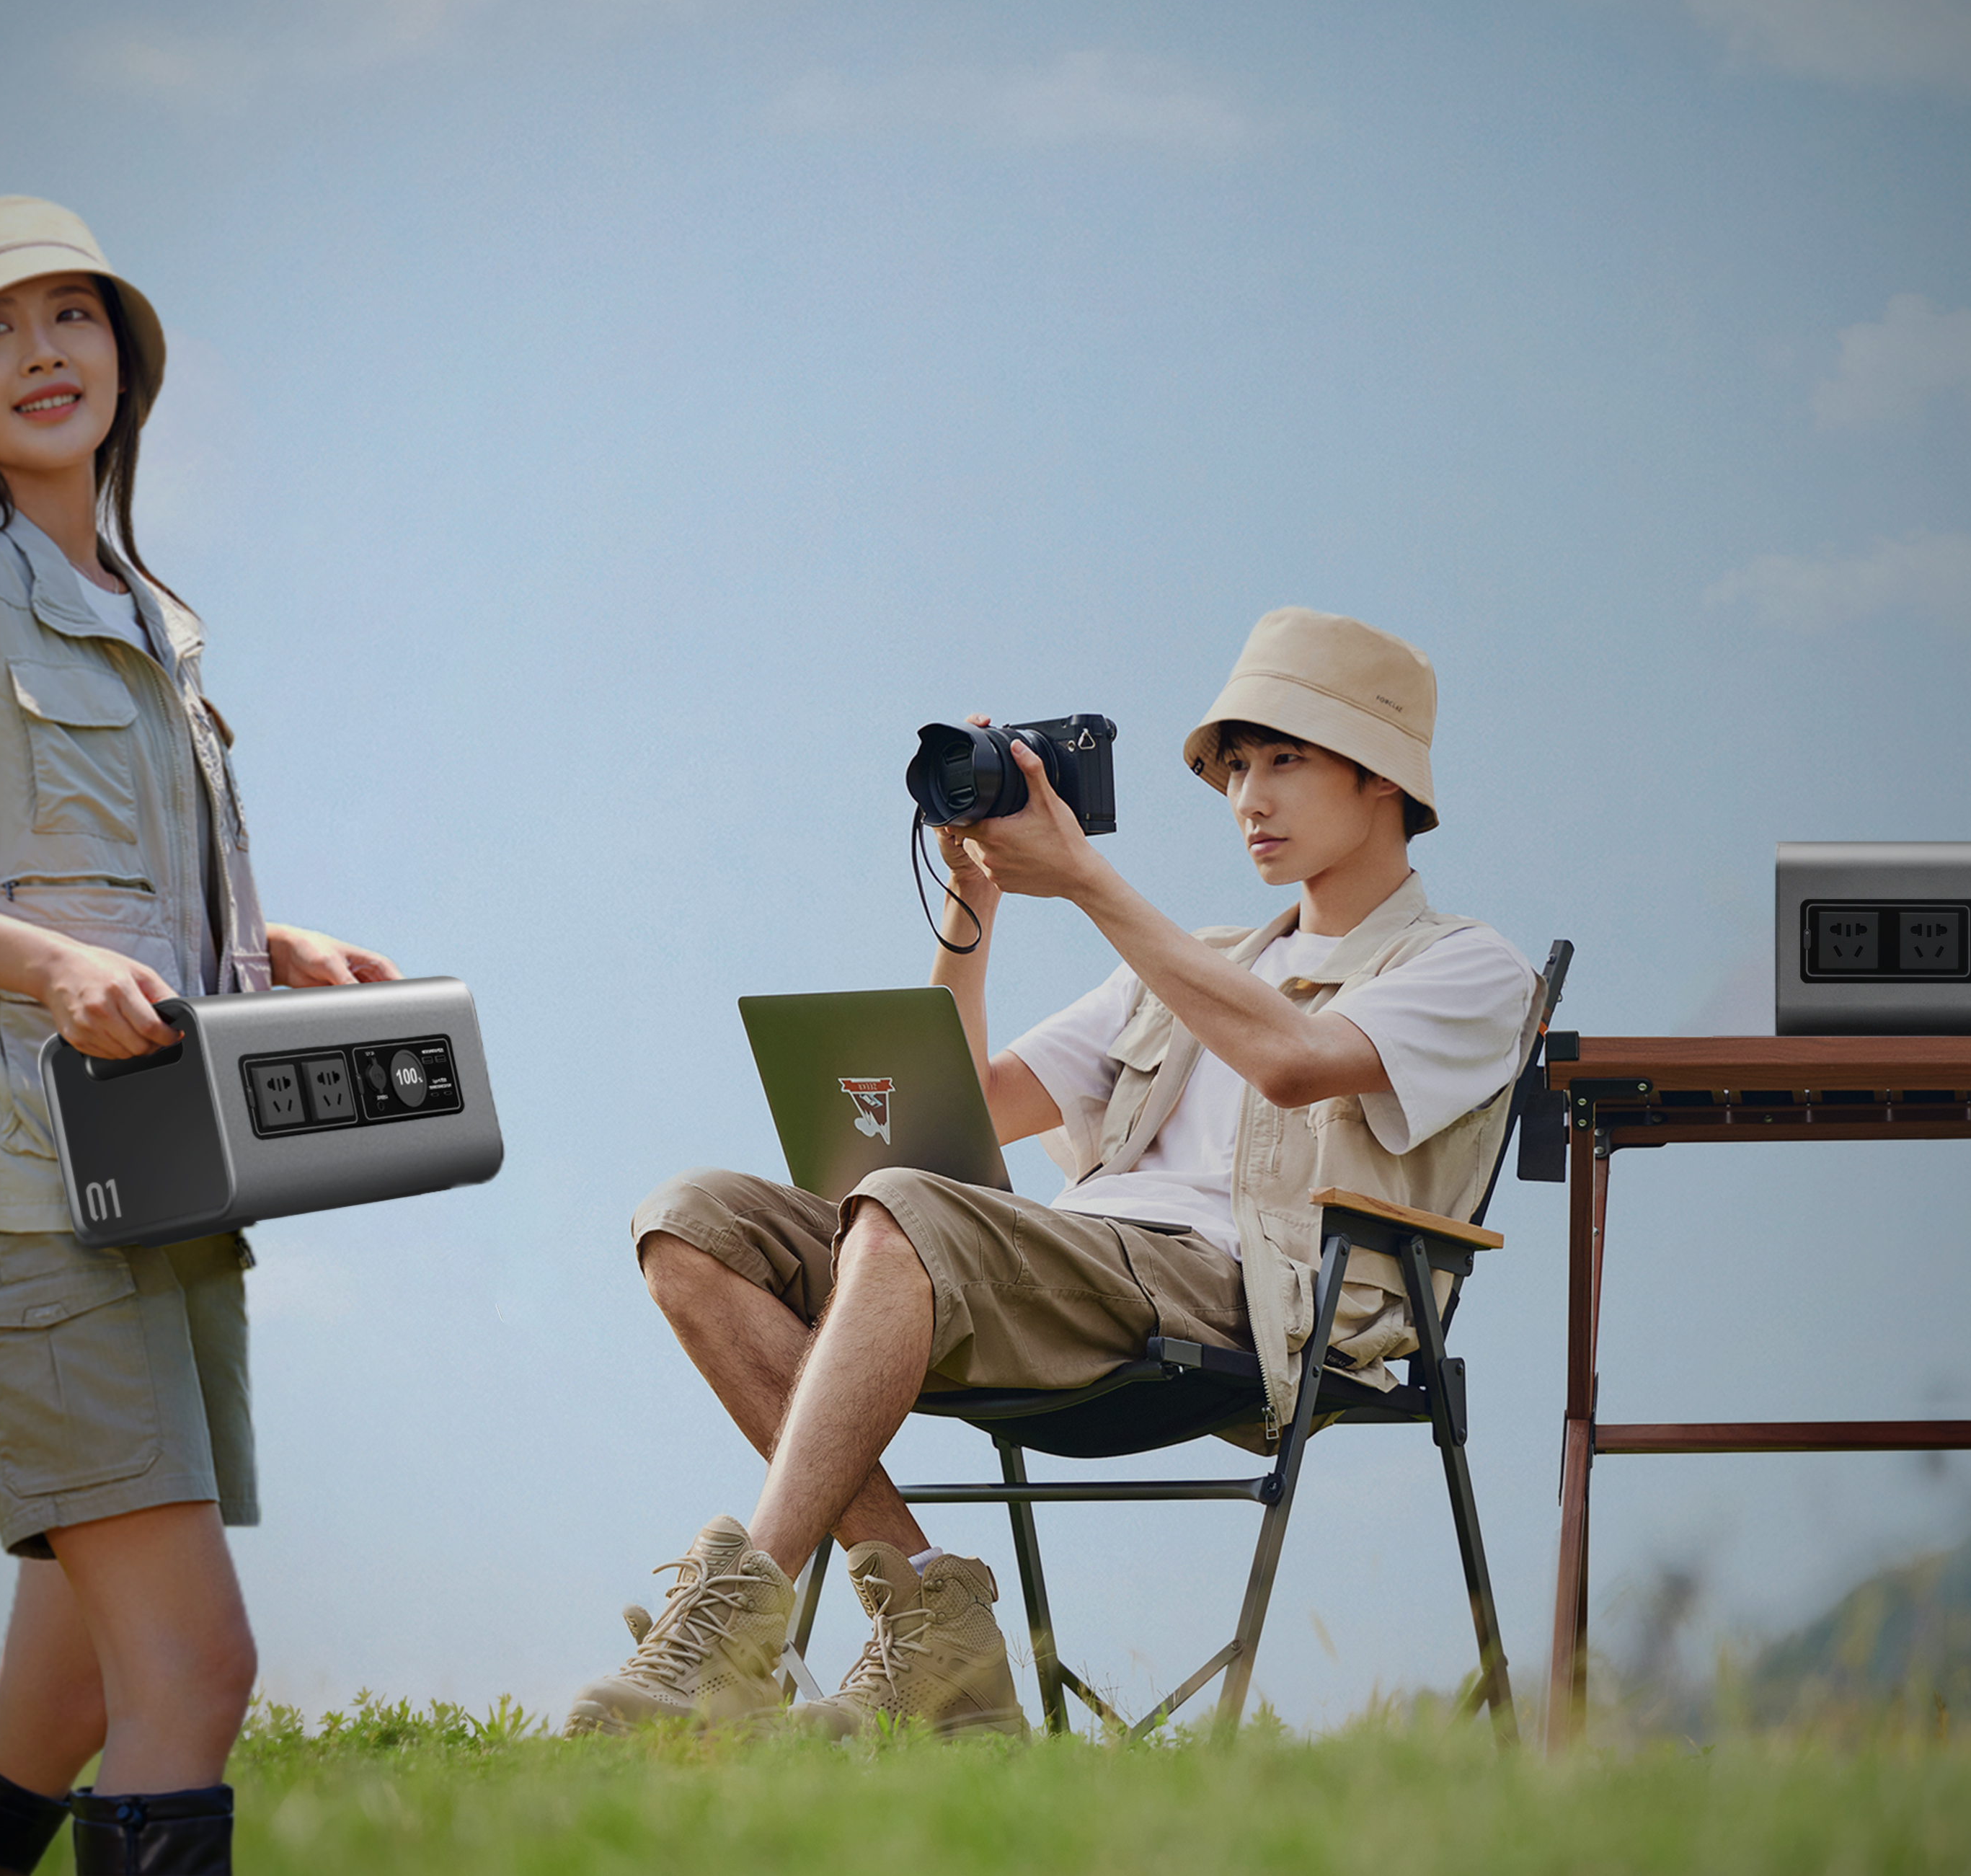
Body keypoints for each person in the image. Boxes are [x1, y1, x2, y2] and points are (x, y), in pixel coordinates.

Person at [572, 607, 1538, 1739]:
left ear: (1383, 778)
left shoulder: (1468, 966)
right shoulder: (1203, 961)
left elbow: (1293, 1062)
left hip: (1244, 1298)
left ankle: (735, 1633)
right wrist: (973, 904)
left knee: (905, 1210)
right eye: (1235, 767)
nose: (1249, 799)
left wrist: (1085, 878)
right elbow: (954, 1114)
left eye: (1286, 760)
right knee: (690, 1222)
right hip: (1057, 1264)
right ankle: (936, 1619)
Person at [0, 195, 397, 1875]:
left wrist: (260, 944)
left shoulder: (148, 616)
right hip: (28, 1206)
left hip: (164, 1187)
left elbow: (102, 884)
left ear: (126, 352)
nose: (43, 351)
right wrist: (52, 973)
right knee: (195, 1670)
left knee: (55, 1710)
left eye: (72, 314)